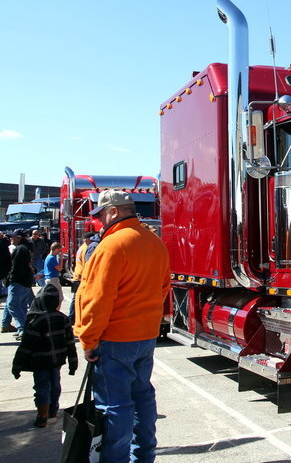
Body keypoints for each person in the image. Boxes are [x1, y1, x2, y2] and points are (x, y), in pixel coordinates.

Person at [74, 190, 171, 461]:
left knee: (114, 407)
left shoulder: (111, 245)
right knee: (143, 399)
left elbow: (97, 299)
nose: (99, 220)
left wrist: (88, 339)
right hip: (145, 336)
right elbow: (163, 289)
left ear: (114, 212)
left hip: (114, 338)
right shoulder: (154, 242)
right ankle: (143, 457)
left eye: (102, 214)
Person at [11, 283, 78, 427]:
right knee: (55, 386)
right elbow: (70, 344)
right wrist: (73, 364)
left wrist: (17, 366)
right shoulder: (64, 319)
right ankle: (53, 412)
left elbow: (26, 346)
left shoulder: (35, 321)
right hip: (57, 361)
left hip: (40, 362)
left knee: (42, 387)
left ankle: (42, 415)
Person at [5, 229, 36, 340]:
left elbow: (16, 268)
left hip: (19, 282)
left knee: (12, 305)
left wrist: (9, 279)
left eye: (12, 237)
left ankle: (23, 329)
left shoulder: (20, 250)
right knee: (22, 305)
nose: (10, 238)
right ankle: (23, 328)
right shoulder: (26, 249)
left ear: (19, 238)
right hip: (26, 282)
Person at [68, 232, 99, 324]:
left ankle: (72, 318)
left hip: (78, 275)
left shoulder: (81, 248)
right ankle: (73, 318)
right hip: (81, 276)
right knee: (79, 300)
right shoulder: (87, 248)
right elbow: (88, 264)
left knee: (76, 299)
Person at [42, 242, 63, 310]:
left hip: (48, 279)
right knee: (60, 297)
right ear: (56, 249)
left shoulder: (48, 257)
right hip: (53, 279)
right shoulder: (52, 258)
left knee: (51, 297)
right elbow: (59, 268)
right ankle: (56, 310)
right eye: (59, 250)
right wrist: (61, 258)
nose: (59, 252)